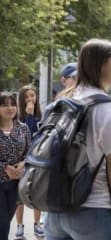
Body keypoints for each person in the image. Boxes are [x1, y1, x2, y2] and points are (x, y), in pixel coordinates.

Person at [44, 38, 111, 240]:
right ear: (101, 65)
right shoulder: (110, 110)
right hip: (95, 211)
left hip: (55, 211)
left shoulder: (59, 104)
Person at [0, 92, 31, 240]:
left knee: (6, 221)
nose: (10, 108)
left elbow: (30, 152)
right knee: (3, 223)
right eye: (4, 105)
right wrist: (5, 167)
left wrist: (23, 163)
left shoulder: (23, 128)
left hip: (15, 184)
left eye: (12, 104)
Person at [15, 85, 44, 239]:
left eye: (32, 95)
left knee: (36, 195)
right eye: (26, 97)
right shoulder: (18, 117)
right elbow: (27, 135)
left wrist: (33, 115)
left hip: (37, 161)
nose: (30, 99)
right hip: (21, 161)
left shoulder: (42, 115)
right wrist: (29, 116)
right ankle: (19, 226)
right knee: (19, 197)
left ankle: (37, 224)